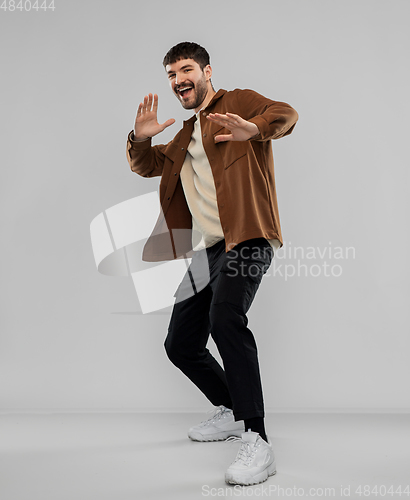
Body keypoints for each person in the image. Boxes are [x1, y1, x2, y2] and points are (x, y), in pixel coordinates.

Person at [126, 41, 298, 486]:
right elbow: (146, 165)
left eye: (185, 69)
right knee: (180, 344)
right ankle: (228, 408)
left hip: (248, 237)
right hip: (207, 251)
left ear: (205, 72)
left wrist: (254, 128)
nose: (178, 80)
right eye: (171, 74)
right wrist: (140, 137)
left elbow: (286, 114)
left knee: (225, 319)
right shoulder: (183, 137)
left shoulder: (236, 102)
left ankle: (258, 439)